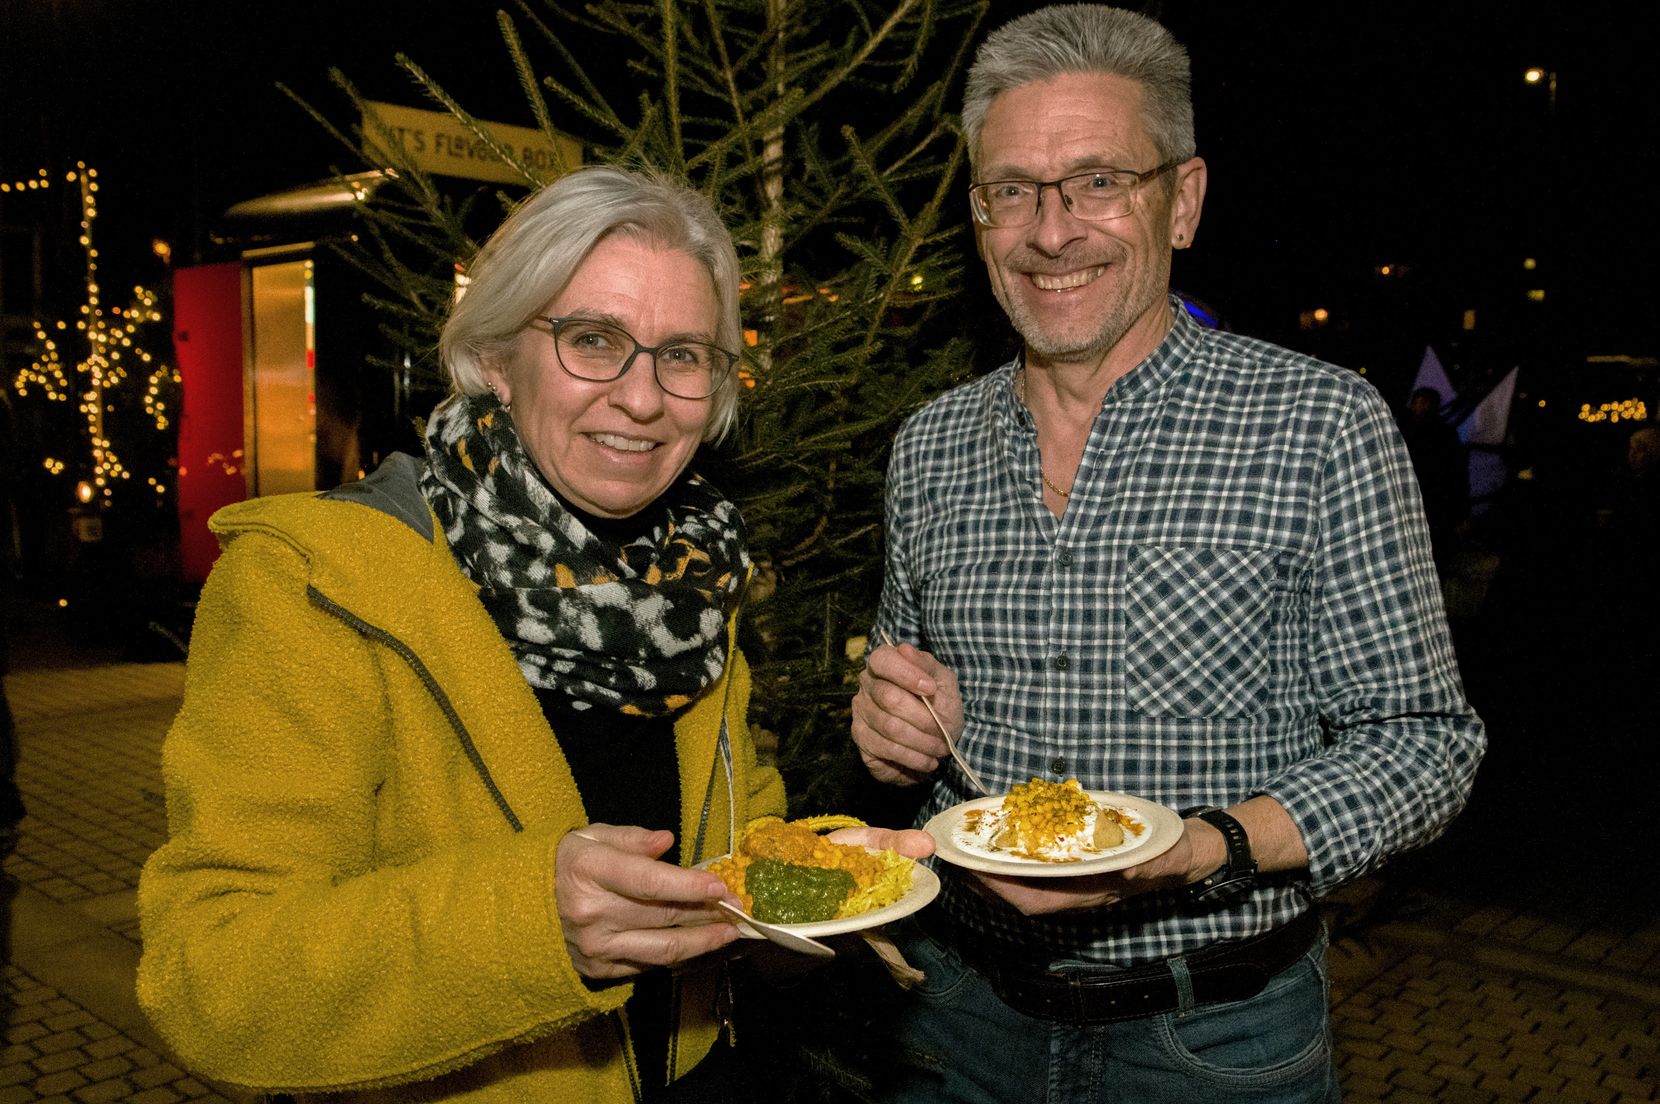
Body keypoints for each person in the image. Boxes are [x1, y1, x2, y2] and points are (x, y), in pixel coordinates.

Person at [137, 165, 929, 1104]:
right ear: (497, 357)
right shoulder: (315, 583)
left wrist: (817, 898)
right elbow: (210, 977)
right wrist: (528, 927)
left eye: (683, 354)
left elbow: (733, 860)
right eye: (593, 339)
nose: (643, 399)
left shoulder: (690, 584)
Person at [849, 7, 1486, 1102]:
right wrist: (885, 727)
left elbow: (1426, 744)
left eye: (1098, 180)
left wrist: (1207, 847)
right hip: (954, 1021)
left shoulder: (1319, 423)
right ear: (977, 213)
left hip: (1215, 1040)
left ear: (1180, 200)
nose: (1052, 231)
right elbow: (913, 712)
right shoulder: (930, 446)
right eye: (1012, 190)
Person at [1397, 385, 1469, 571]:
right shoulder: (1400, 430)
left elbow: (1456, 474)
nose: (1422, 407)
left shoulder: (1444, 435)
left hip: (1434, 504)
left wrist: (1459, 513)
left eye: (1426, 403)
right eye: (1418, 402)